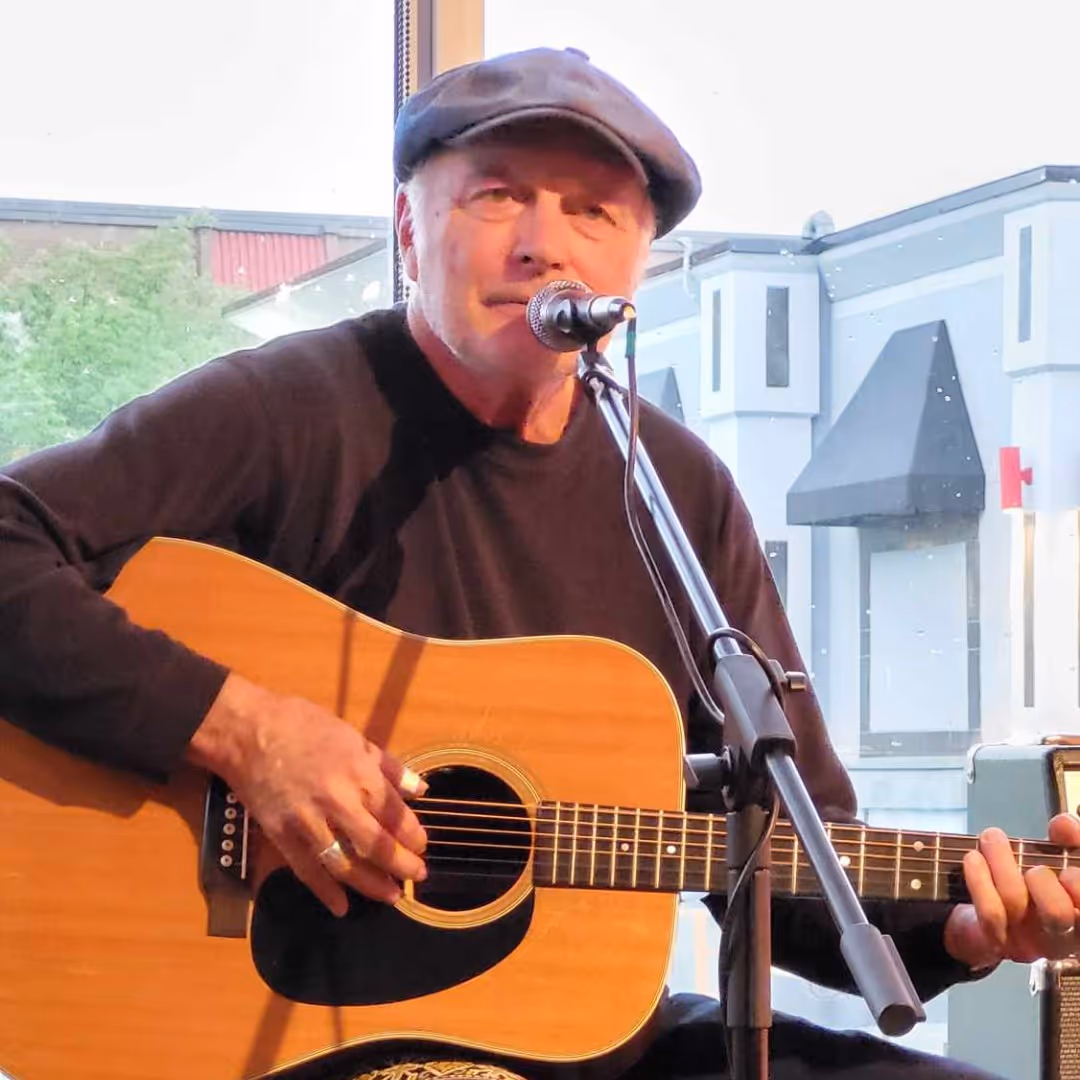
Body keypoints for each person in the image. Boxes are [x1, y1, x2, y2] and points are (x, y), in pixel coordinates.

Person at [1, 46, 1078, 1080]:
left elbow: (787, 852)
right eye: (498, 195)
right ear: (410, 231)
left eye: (592, 212)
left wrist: (965, 925)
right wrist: (247, 731)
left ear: (637, 267)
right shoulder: (286, 411)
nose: (542, 246)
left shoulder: (677, 489)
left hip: (574, 1041)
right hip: (287, 1034)